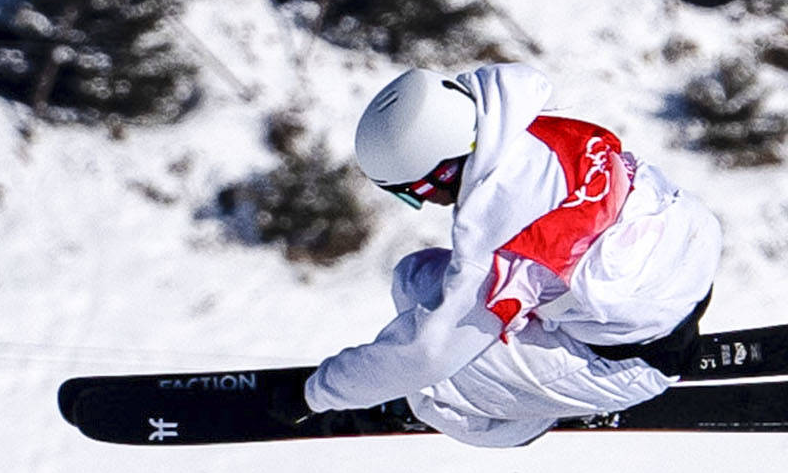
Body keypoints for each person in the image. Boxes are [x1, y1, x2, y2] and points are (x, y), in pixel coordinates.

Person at [304, 62, 724, 449]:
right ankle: (538, 365)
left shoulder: (500, 236)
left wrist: (317, 391)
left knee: (430, 389)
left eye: (412, 193)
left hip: (636, 362)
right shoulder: (531, 128)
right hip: (682, 270)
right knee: (413, 278)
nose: (427, 203)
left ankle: (524, 416)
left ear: (437, 175)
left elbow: (426, 355)